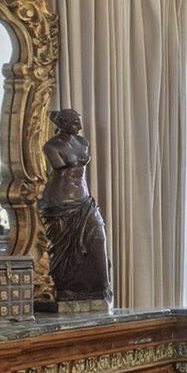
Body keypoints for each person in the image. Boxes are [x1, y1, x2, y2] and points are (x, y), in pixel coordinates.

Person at [40, 108, 110, 304]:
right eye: (74, 122)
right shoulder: (51, 146)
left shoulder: (83, 143)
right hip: (60, 201)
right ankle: (70, 289)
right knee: (66, 249)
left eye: (78, 122)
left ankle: (97, 288)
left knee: (98, 239)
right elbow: (59, 168)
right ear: (62, 124)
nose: (79, 126)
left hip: (84, 200)